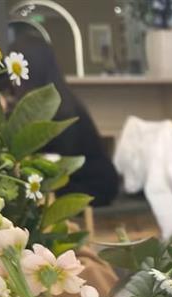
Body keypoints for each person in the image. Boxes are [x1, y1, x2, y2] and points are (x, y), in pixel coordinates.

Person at [8, 33, 119, 206]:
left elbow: (60, 165)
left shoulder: (62, 110)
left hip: (90, 185)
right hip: (78, 179)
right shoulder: (60, 101)